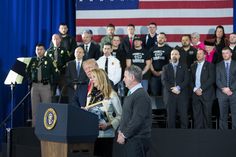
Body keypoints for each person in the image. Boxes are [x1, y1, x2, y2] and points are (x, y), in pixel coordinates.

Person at [85, 69, 122, 157]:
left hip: (106, 135)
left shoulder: (112, 95)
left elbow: (120, 115)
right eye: (91, 77)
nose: (91, 79)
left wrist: (109, 125)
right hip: (91, 134)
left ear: (100, 78)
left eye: (94, 77)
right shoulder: (90, 94)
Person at [117, 65, 152, 157]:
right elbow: (127, 116)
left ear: (132, 78)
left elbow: (137, 120)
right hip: (131, 139)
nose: (123, 79)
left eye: (125, 76)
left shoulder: (141, 96)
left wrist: (124, 134)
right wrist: (121, 131)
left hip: (137, 140)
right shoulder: (132, 94)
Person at [27, 43, 58, 126]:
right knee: (35, 108)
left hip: (45, 86)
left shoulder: (49, 60)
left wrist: (52, 86)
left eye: (41, 49)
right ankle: (35, 128)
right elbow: (28, 73)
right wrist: (30, 81)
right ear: (35, 51)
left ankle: (47, 128)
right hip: (35, 86)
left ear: (44, 50)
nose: (39, 51)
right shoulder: (33, 61)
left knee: (47, 108)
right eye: (37, 49)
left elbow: (55, 74)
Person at [161, 49, 189, 128]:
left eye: (176, 54)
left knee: (183, 117)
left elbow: (186, 79)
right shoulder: (165, 67)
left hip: (182, 95)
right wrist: (172, 89)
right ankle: (171, 136)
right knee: (170, 117)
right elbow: (164, 80)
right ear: (170, 56)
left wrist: (178, 88)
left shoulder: (184, 66)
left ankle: (185, 135)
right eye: (172, 54)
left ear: (179, 56)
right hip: (170, 95)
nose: (174, 55)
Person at [190, 49, 215, 128]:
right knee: (197, 116)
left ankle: (208, 135)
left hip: (207, 94)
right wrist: (195, 89)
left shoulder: (210, 65)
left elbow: (211, 79)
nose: (198, 55)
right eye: (197, 53)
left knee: (207, 115)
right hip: (195, 94)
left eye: (200, 54)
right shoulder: (193, 66)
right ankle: (198, 134)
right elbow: (190, 80)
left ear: (205, 55)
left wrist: (201, 89)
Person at [216, 47, 236, 129]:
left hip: (234, 93)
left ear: (231, 54)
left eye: (226, 53)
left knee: (235, 114)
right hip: (222, 93)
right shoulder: (218, 65)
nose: (224, 55)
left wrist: (231, 89)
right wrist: (224, 89)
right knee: (222, 114)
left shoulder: (235, 64)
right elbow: (217, 79)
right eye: (223, 53)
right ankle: (223, 133)